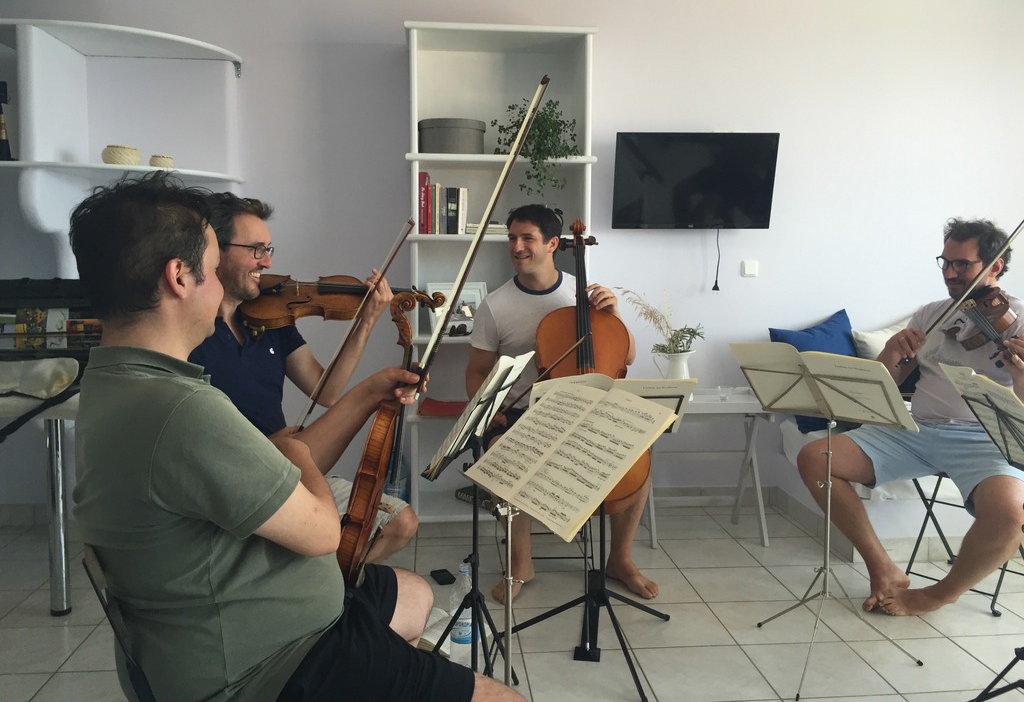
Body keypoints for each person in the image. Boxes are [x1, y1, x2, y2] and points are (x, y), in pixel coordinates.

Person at [70, 172, 524, 702]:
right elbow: (322, 535)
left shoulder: (112, 384)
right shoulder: (183, 410)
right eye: (214, 269)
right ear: (179, 277)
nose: (225, 285)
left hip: (237, 613)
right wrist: (291, 448)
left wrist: (359, 392)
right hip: (270, 663)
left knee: (417, 594)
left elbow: (321, 398)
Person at [797, 217, 1024, 617]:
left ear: (995, 267)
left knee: (1010, 516)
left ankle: (937, 594)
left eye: (962, 265)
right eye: (945, 262)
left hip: (983, 438)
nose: (950, 274)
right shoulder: (931, 314)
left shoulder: (1018, 320)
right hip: (915, 429)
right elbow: (886, 384)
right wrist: (890, 353)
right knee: (815, 457)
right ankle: (883, 569)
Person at [188, 192, 416, 564]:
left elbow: (325, 390)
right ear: (214, 250)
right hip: (243, 478)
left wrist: (367, 321)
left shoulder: (270, 318)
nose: (268, 261)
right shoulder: (190, 332)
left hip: (291, 465)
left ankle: (334, 590)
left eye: (269, 248)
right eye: (257, 249)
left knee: (401, 523)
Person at [465, 204, 657, 605]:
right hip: (525, 411)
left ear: (553, 244)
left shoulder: (582, 294)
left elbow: (627, 356)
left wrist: (614, 314)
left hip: (587, 409)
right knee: (501, 457)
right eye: (511, 238)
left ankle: (619, 560)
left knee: (639, 454)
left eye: (527, 238)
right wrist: (490, 413)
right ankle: (521, 565)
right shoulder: (495, 306)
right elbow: (476, 371)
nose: (516, 247)